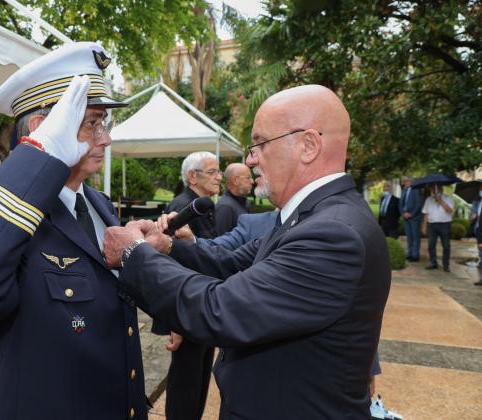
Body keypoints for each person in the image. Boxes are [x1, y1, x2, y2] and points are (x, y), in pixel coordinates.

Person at [103, 84, 391, 418]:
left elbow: (219, 309)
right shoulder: (312, 218)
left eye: (259, 144)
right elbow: (229, 263)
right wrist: (165, 246)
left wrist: (133, 254)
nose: (250, 159)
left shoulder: (332, 233)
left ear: (308, 145)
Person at [0, 42, 146, 420]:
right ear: (44, 130)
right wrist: (42, 156)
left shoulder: (97, 203)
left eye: (105, 123)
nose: (106, 138)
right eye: (92, 123)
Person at [156, 151, 221, 420]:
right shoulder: (182, 207)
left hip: (202, 302)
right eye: (213, 171)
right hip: (187, 308)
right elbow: (170, 265)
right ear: (192, 176)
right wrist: (175, 319)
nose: (219, 177)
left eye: (219, 171)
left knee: (200, 377)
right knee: (186, 382)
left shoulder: (203, 205)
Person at [422, 184, 454, 272]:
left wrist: (440, 201)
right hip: (432, 225)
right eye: (433, 188)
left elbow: (450, 210)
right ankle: (433, 263)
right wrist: (424, 226)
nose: (435, 190)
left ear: (442, 189)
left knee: (446, 246)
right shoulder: (429, 199)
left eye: (437, 188)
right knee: (431, 245)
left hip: (445, 225)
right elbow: (426, 213)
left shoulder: (448, 198)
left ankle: (446, 265)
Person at [214, 163, 253, 235]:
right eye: (248, 178)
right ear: (235, 180)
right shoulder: (225, 207)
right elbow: (222, 243)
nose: (252, 181)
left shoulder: (243, 203)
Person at [399, 176, 423, 261]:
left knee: (415, 237)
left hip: (414, 218)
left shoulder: (416, 190)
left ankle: (415, 255)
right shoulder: (404, 190)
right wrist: (403, 213)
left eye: (407, 181)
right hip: (406, 217)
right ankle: (410, 253)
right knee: (409, 237)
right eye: (404, 181)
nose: (405, 183)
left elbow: (418, 204)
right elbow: (400, 204)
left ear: (411, 181)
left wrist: (411, 214)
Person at [470, 184, 482, 285]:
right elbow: (472, 214)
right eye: (480, 189)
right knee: (481, 255)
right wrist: (473, 216)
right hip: (478, 229)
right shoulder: (477, 201)